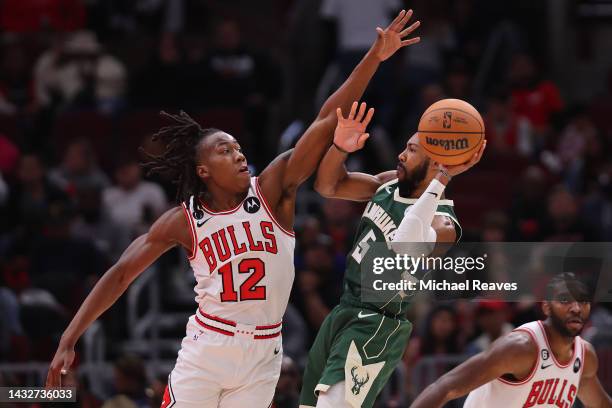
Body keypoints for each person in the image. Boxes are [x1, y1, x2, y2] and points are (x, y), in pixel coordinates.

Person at [45, 10, 422, 408]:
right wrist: (69, 338)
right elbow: (121, 274)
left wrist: (374, 58)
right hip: (209, 348)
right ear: (203, 169)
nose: (239, 154)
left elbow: (326, 118)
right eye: (225, 150)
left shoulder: (274, 190)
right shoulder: (183, 221)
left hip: (263, 353)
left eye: (239, 148)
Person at [299, 102, 485, 407]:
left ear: (438, 163)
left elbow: (405, 241)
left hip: (377, 323)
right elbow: (328, 184)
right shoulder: (388, 184)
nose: (401, 155)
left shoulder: (445, 223)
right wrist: (340, 147)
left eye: (411, 150)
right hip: (345, 309)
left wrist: (442, 179)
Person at [409, 273, 612, 408]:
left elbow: (601, 405)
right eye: (565, 300)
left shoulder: (585, 356)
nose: (576, 308)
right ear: (546, 307)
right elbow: (445, 386)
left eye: (583, 301)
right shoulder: (521, 347)